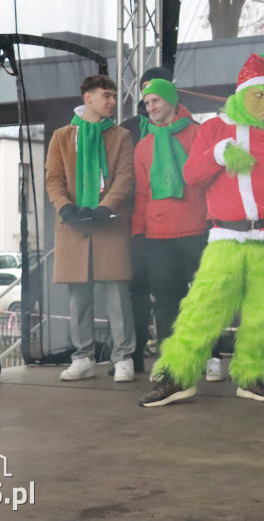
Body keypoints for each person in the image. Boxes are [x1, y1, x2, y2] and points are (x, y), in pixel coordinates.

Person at [139, 54, 264, 407]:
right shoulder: (214, 129)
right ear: (241, 94)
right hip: (227, 236)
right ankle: (178, 375)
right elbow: (192, 177)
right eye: (258, 95)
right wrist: (218, 153)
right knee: (203, 308)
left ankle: (253, 375)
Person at [45, 74, 136, 382]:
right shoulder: (62, 136)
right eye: (107, 96)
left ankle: (123, 357)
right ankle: (82, 357)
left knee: (116, 294)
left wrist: (105, 208)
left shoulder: (121, 136)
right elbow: (53, 178)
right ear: (88, 98)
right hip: (74, 226)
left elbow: (124, 177)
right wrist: (65, 207)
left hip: (108, 224)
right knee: (78, 297)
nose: (112, 101)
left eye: (113, 96)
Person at [130, 78, 208, 368]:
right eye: (147, 103)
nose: (150, 107)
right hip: (158, 234)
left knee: (203, 299)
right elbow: (141, 193)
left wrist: (212, 221)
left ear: (171, 101)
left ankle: (210, 357)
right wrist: (139, 230)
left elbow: (209, 181)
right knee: (164, 301)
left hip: (196, 229)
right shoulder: (143, 145)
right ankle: (169, 362)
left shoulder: (199, 134)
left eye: (156, 101)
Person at [119, 66, 173, 373]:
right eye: (147, 90)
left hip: (174, 226)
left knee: (171, 291)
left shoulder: (187, 125)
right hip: (137, 224)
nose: (151, 100)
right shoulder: (127, 128)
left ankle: (176, 355)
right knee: (136, 290)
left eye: (158, 89)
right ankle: (135, 353)